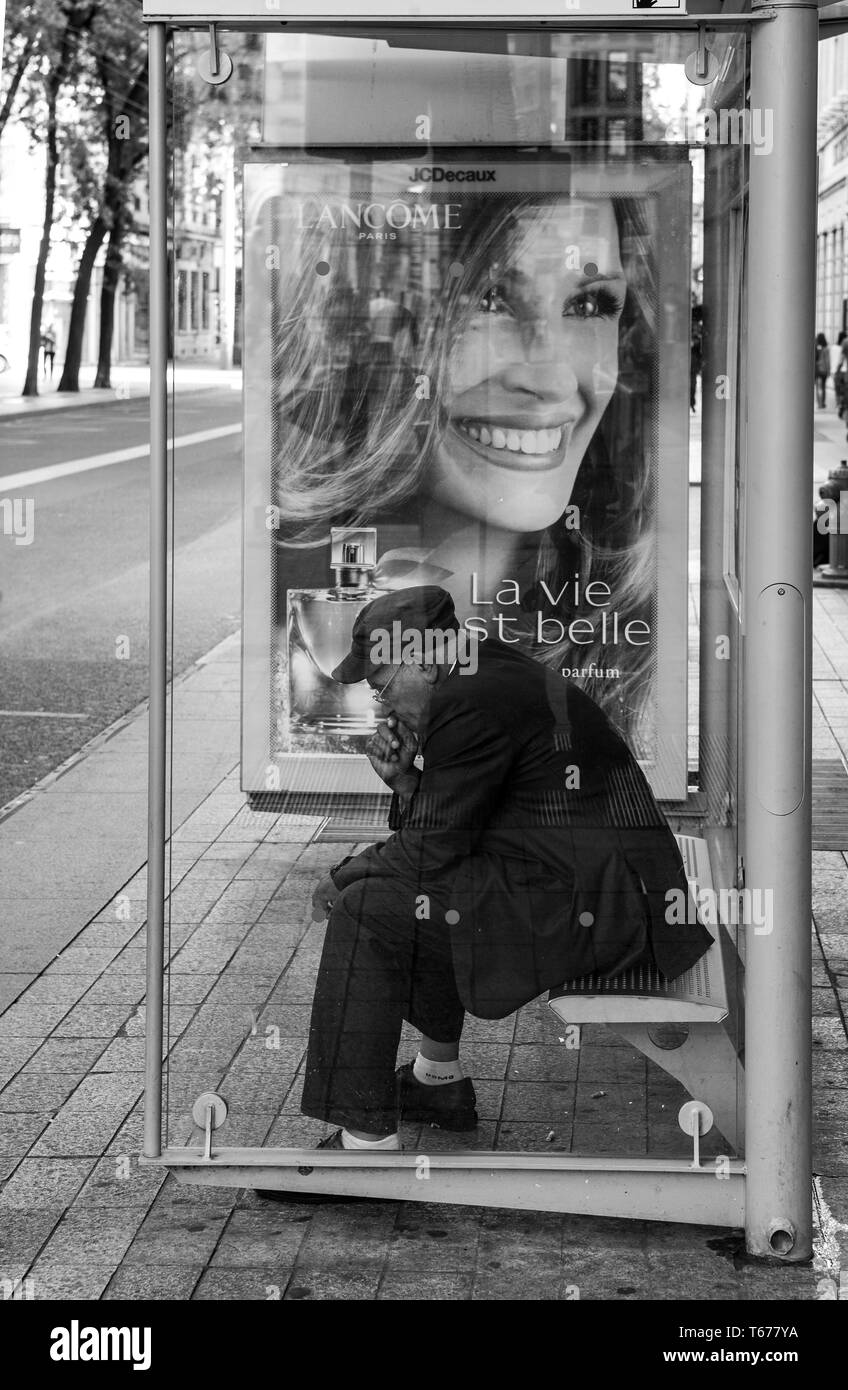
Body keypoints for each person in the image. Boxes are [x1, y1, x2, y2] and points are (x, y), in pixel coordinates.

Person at [284, 585, 712, 1155]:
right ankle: (437, 1082)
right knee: (408, 897)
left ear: (420, 657)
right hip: (608, 886)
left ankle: (363, 1143)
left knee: (369, 912)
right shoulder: (482, 666)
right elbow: (449, 834)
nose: (382, 704)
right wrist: (408, 781)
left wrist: (339, 878)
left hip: (611, 911)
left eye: (381, 684)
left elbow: (430, 851)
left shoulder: (467, 703)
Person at [271, 188, 658, 755]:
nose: (551, 379)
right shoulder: (296, 631)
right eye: (489, 299)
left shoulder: (626, 650)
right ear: (362, 330)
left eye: (590, 304)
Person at [815, 332, 830, 409]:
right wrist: (828, 370)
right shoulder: (826, 348)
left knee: (818, 386)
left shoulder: (816, 347)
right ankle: (823, 403)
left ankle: (819, 403)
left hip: (817, 369)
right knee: (823, 387)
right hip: (824, 370)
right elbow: (827, 360)